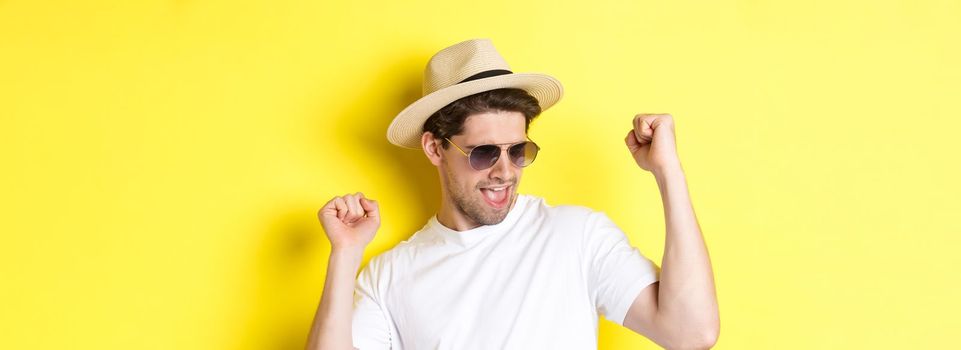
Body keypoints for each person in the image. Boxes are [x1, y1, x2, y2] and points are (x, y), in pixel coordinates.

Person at [306, 38, 719, 350]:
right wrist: (345, 255)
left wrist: (668, 172)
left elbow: (692, 331)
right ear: (435, 148)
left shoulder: (576, 236)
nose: (505, 172)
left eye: (518, 150)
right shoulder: (390, 276)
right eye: (484, 153)